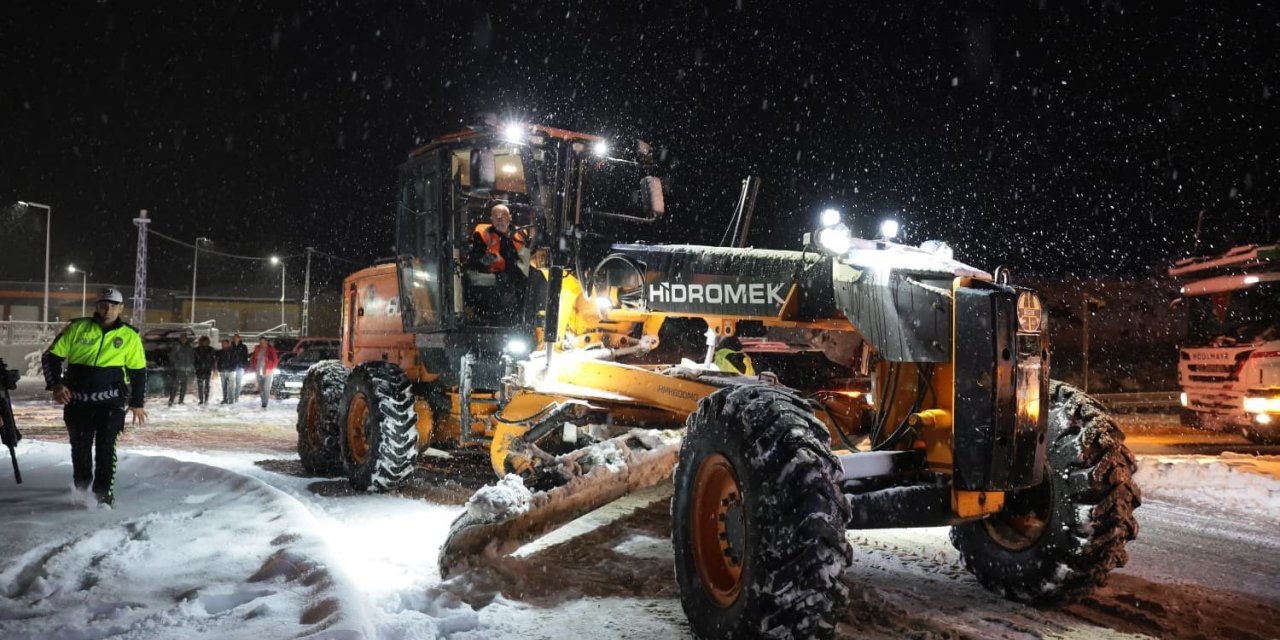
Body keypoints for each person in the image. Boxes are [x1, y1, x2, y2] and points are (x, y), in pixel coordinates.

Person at [40, 287, 147, 506]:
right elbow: (51, 356)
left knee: (106, 446)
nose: (107, 309)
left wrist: (137, 403)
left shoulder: (129, 335)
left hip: (111, 401)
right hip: (77, 401)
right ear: (96, 307)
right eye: (102, 305)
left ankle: (103, 494)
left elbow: (138, 370)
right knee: (80, 447)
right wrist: (57, 385)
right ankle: (81, 489)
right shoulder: (77, 328)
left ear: (121, 308)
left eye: (112, 305)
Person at [466, 203, 528, 320]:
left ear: (510, 217)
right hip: (494, 285)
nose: (500, 220)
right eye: (496, 217)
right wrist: (484, 262)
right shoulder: (482, 236)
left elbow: (530, 257)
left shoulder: (522, 235)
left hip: (520, 279)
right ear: (491, 220)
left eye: (503, 216)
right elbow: (473, 260)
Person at [248, 337, 280, 409]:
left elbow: (275, 360)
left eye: (263, 342)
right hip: (258, 370)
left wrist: (272, 368)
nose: (261, 343)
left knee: (266, 387)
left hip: (268, 371)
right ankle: (263, 401)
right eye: (260, 342)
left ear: (266, 342)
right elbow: (253, 359)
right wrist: (252, 367)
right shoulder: (257, 349)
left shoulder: (271, 349)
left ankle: (265, 402)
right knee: (261, 387)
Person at [167, 333, 194, 406]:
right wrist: (176, 364)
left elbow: (192, 357)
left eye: (184, 338)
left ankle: (181, 400)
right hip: (178, 369)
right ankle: (171, 400)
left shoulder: (189, 347)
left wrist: (190, 365)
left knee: (184, 386)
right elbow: (172, 356)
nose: (183, 339)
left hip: (186, 369)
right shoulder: (177, 346)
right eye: (182, 338)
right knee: (175, 386)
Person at [192, 336, 216, 405]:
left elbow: (213, 360)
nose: (204, 343)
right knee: (200, 386)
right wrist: (196, 367)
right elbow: (194, 360)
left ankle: (206, 400)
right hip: (199, 370)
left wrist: (214, 369)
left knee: (207, 386)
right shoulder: (196, 350)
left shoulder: (211, 350)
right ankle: (201, 400)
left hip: (207, 370)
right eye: (203, 341)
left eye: (206, 341)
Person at [229, 333, 250, 403]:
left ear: (240, 338)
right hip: (232, 367)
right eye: (234, 338)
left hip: (240, 367)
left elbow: (245, 356)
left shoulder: (243, 347)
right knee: (231, 383)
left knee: (238, 383)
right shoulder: (231, 346)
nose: (235, 339)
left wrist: (244, 365)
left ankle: (236, 398)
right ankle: (231, 397)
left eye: (237, 338)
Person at [215, 338, 236, 404]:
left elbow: (235, 361)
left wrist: (232, 368)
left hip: (230, 371)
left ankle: (231, 400)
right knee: (224, 386)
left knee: (231, 386)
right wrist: (219, 368)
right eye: (222, 344)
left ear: (228, 344)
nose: (223, 345)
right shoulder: (220, 352)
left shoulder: (232, 352)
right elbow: (217, 360)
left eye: (224, 343)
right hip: (222, 371)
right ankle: (225, 399)